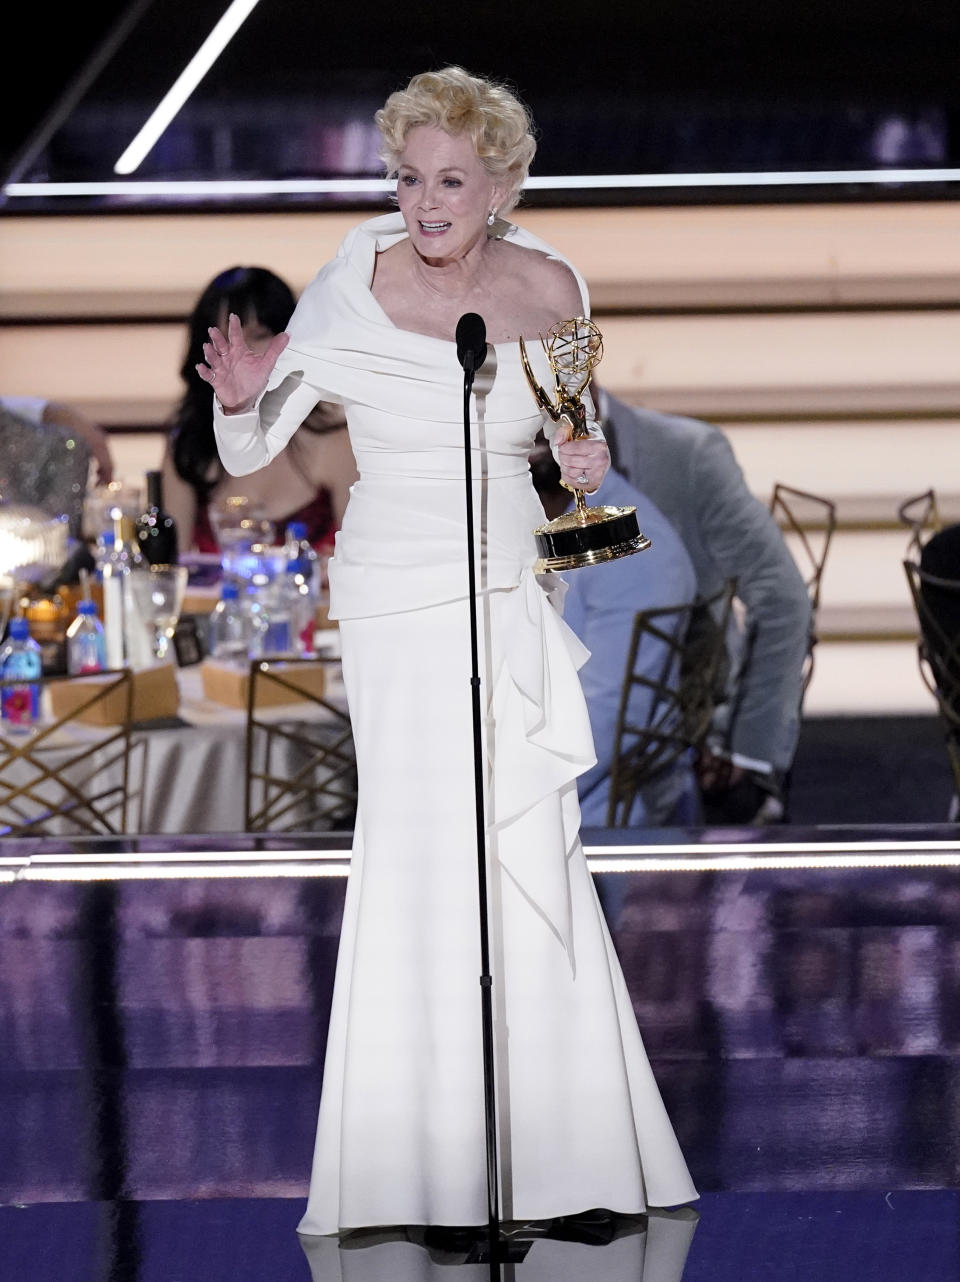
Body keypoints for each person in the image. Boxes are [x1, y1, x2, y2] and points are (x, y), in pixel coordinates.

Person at [204, 67, 697, 1234]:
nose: (425, 205)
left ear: (503, 185)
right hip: (393, 594)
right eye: (410, 178)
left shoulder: (551, 285)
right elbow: (248, 450)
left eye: (451, 183)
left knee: (525, 847)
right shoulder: (348, 287)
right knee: (425, 856)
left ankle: (557, 1156)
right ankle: (412, 1167)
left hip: (507, 592)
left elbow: (568, 444)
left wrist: (575, 468)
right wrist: (237, 394)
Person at [595, 385, 812, 825]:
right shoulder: (481, 462)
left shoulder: (683, 456)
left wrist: (748, 756)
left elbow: (781, 599)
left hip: (675, 771)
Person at [529, 436, 698, 827]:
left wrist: (498, 797)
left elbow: (607, 717)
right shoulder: (546, 519)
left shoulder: (624, 546)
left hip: (596, 818)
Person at [161, 266, 358, 554]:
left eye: (256, 335)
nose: (237, 356)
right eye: (222, 342)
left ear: (288, 340)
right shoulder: (189, 444)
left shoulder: (337, 440)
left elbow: (363, 561)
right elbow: (168, 568)